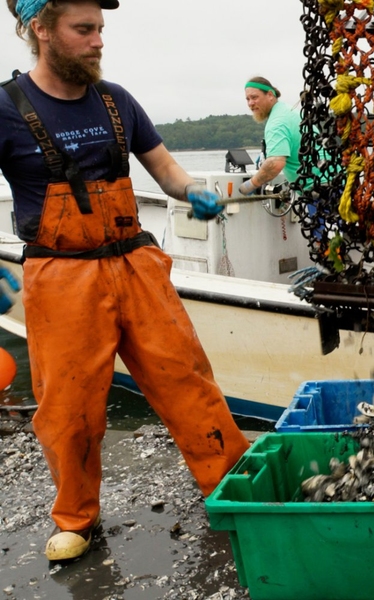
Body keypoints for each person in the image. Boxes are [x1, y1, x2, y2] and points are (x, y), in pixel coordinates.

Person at [0, 0, 251, 561]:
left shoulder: (117, 100)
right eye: (83, 29)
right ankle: (76, 518)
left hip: (137, 266)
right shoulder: (6, 107)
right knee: (68, 406)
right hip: (61, 276)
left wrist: (193, 191)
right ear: (39, 30)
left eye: (100, 30)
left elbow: (163, 167)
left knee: (187, 379)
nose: (97, 41)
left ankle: (230, 488)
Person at [239, 77, 301, 195]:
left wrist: (250, 185)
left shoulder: (276, 122)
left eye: (254, 97)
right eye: (247, 99)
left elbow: (275, 163)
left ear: (270, 95)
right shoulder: (286, 110)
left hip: (321, 190)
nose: (250, 103)